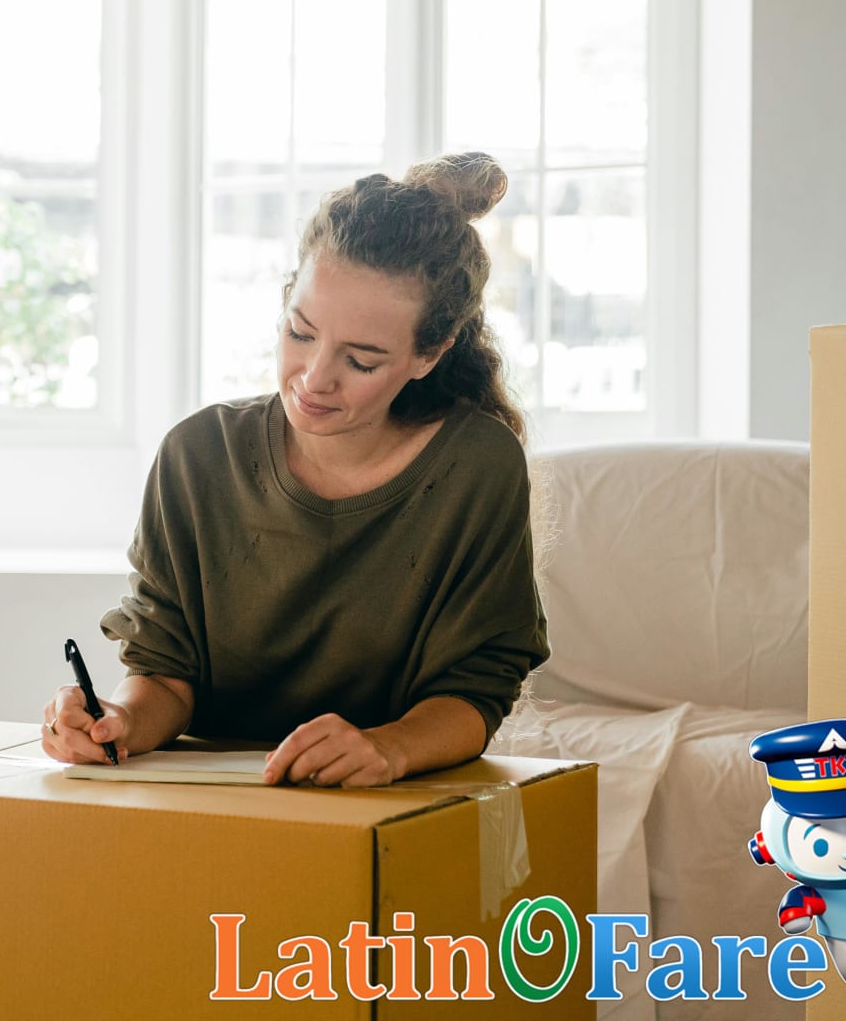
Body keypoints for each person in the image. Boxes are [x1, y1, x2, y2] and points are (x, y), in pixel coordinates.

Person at [41, 152, 549, 787]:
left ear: (430, 354)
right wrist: (115, 720)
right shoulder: (197, 456)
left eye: (361, 361)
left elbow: (477, 688)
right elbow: (165, 673)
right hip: (208, 803)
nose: (314, 379)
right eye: (301, 333)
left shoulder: (478, 467)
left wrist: (387, 748)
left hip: (388, 801)